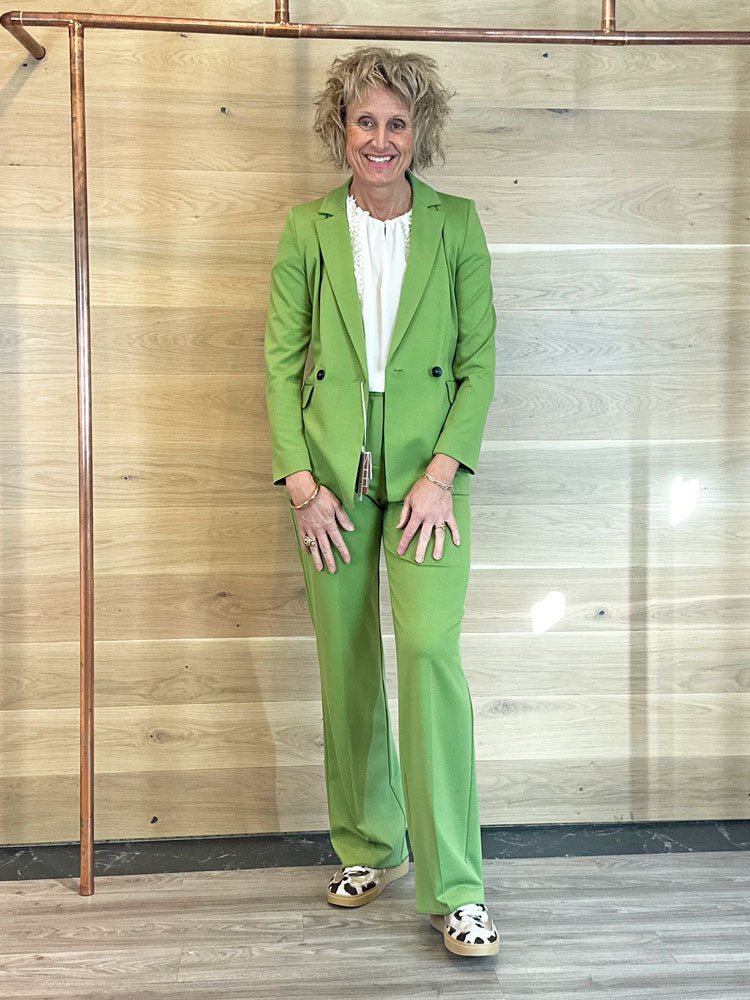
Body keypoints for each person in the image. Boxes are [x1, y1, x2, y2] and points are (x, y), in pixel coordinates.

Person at [264, 44, 498, 958]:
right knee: (347, 661)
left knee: (431, 655)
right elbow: (280, 363)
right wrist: (299, 483)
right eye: (365, 119)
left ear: (418, 132)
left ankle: (457, 888)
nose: (381, 138)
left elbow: (478, 364)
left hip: (427, 482)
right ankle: (371, 844)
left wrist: (441, 475)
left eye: (397, 122)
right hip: (327, 483)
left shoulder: (458, 224)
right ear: (342, 127)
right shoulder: (307, 228)